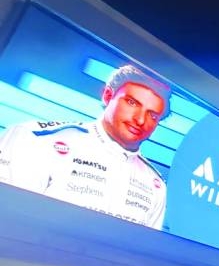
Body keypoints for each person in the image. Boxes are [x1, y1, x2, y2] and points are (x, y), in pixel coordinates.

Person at [0, 63, 170, 229]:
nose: (140, 120)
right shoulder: (37, 140)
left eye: (153, 115)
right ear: (108, 96)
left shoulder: (154, 183)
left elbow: (144, 246)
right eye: (132, 103)